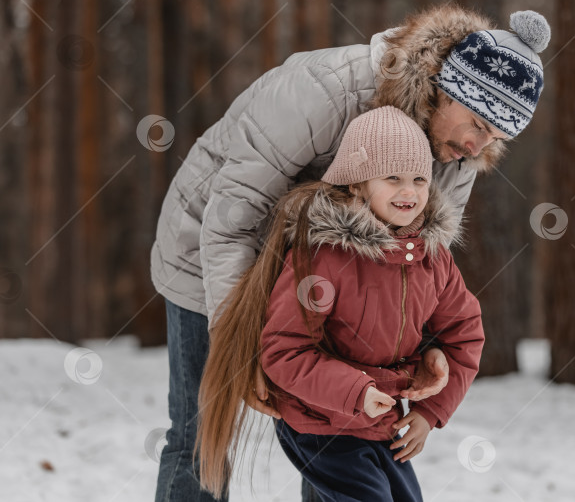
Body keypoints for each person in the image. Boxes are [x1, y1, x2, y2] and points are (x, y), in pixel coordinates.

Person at [151, 3, 550, 501]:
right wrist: (243, 344)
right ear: (447, 86)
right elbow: (233, 218)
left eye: (495, 136)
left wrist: (429, 348)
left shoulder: (455, 150)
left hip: (331, 280)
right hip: (211, 247)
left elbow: (420, 262)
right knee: (201, 434)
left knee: (339, 428)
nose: (477, 145)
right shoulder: (326, 90)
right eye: (476, 122)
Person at [196, 106, 485, 502]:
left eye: (419, 179)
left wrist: (431, 410)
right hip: (319, 423)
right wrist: (356, 392)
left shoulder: (432, 258)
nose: (409, 191)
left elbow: (464, 334)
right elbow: (283, 349)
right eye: (392, 178)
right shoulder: (324, 258)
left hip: (381, 419)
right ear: (357, 185)